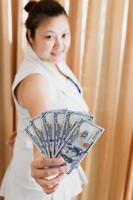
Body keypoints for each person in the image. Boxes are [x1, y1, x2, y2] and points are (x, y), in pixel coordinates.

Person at [0, 0, 89, 200]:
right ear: (30, 36)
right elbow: (46, 137)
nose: (60, 45)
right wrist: (41, 161)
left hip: (63, 171)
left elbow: (44, 115)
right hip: (39, 189)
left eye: (65, 35)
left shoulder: (53, 61)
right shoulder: (35, 81)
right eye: (49, 37)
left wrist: (25, 128)